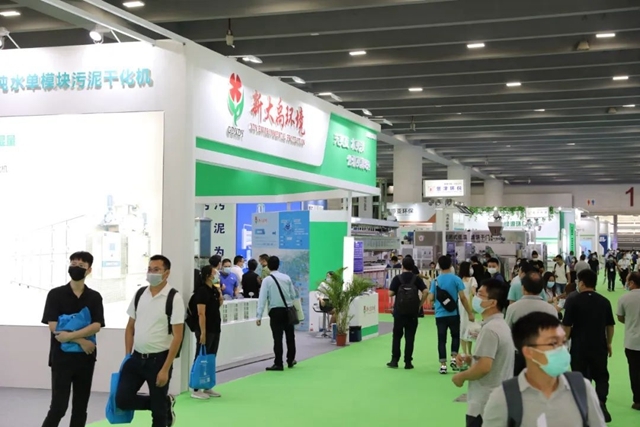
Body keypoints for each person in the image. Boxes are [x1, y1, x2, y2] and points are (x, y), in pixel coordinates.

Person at [482, 312, 606, 427]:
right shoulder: (503, 398)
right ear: (529, 352)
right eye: (553, 343)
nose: (562, 349)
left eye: (563, 342)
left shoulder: (582, 388)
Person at [116, 255, 185, 427]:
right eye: (149, 269)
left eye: (156, 270)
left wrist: (165, 368)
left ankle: (160, 405)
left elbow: (178, 336)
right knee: (122, 400)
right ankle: (163, 403)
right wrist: (127, 355)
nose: (151, 273)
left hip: (159, 360)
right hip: (136, 357)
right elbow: (130, 327)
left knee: (158, 416)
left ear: (166, 273)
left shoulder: (173, 298)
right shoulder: (140, 294)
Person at [41, 251, 105, 427]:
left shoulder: (94, 297)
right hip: (61, 359)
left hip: (86, 359)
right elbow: (54, 327)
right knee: (58, 407)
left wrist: (69, 336)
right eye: (73, 264)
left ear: (89, 270)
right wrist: (80, 340)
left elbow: (96, 325)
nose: (76, 268)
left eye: (81, 265)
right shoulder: (55, 294)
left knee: (80, 408)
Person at [452, 279, 514, 427]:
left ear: (492, 302)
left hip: (484, 404)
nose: (475, 297)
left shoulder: (490, 330)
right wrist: (471, 359)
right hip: (499, 400)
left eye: (480, 294)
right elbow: (493, 360)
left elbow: (484, 367)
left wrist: (461, 376)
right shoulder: (501, 325)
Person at [562, 269, 615, 422]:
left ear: (582, 283)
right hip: (599, 346)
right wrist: (609, 343)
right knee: (601, 376)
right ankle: (601, 402)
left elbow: (567, 326)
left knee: (580, 377)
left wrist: (564, 342)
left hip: (579, 346)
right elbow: (610, 325)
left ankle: (583, 408)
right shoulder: (604, 301)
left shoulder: (573, 301)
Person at [428, 256, 475, 375]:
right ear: (450, 265)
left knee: (441, 339)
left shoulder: (435, 281)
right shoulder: (456, 279)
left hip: (440, 315)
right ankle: (454, 358)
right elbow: (463, 298)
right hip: (454, 313)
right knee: (455, 336)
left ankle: (443, 365)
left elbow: (431, 298)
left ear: (439, 266)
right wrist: (470, 312)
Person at [505, 271, 558, 375]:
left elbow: (507, 332)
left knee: (518, 383)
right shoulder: (550, 309)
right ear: (541, 289)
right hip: (543, 355)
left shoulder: (513, 308)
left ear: (523, 288)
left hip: (519, 356)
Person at [256, 256, 300, 371]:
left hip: (275, 311)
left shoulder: (267, 280)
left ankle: (278, 363)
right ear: (278, 265)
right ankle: (291, 360)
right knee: (290, 337)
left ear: (268, 266)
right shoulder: (286, 278)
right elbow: (293, 295)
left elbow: (262, 299)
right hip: (288, 310)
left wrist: (259, 316)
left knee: (277, 338)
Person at [387, 257, 429, 369]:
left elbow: (390, 293)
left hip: (399, 312)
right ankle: (408, 362)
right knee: (410, 337)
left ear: (402, 266)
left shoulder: (397, 278)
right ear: (413, 267)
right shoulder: (416, 279)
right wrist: (419, 305)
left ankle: (394, 360)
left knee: (397, 336)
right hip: (412, 313)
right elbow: (425, 291)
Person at [190, 265, 223, 399]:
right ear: (208, 275)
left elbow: (218, 305)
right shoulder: (202, 291)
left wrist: (219, 291)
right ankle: (196, 388)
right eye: (214, 273)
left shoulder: (213, 290)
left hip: (215, 328)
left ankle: (207, 385)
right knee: (200, 356)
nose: (217, 275)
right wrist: (202, 332)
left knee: (210, 356)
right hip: (205, 329)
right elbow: (201, 313)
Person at [616, 271, 640, 410]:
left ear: (631, 283)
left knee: (634, 371)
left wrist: (631, 321)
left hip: (632, 341)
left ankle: (638, 400)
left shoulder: (624, 298)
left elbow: (620, 317)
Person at [458, 262, 478, 356]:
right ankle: (469, 352)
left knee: (461, 327)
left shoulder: (458, 280)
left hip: (460, 304)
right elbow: (474, 292)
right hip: (469, 304)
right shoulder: (472, 279)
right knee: (469, 327)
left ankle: (464, 352)